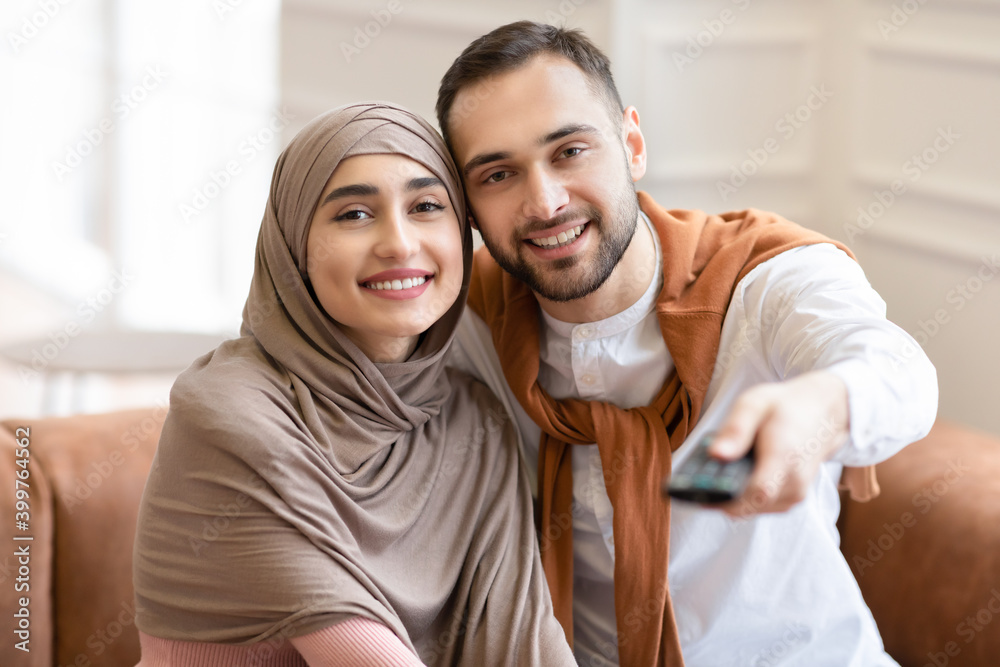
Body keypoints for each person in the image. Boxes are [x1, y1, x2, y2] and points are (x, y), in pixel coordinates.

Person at [436, 21, 938, 666]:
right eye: (498, 174)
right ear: (468, 206)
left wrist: (818, 405)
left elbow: (890, 366)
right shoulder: (465, 318)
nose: (545, 202)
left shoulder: (764, 276)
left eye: (570, 151)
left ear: (632, 144)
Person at [132, 103, 576, 666]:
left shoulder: (472, 417)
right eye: (354, 215)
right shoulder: (229, 413)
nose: (398, 243)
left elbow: (523, 639)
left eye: (426, 206)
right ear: (294, 247)